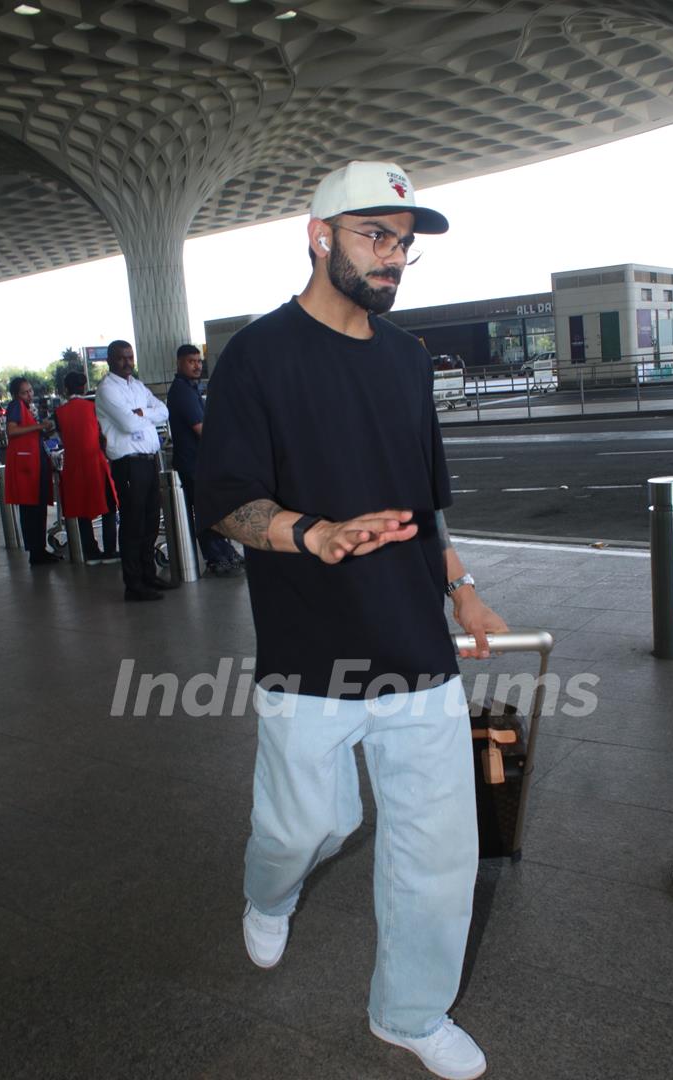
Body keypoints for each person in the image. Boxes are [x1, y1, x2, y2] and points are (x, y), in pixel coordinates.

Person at [195, 160, 508, 1080]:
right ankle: (268, 894)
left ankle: (409, 1013)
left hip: (417, 645)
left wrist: (462, 585)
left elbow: (426, 502)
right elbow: (225, 499)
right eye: (377, 234)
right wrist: (314, 533)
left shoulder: (408, 361)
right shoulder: (255, 357)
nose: (395, 257)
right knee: (305, 828)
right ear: (318, 233)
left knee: (439, 850)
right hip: (310, 653)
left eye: (404, 243)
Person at [95, 340, 172, 601]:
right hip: (129, 465)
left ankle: (149, 575)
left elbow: (164, 411)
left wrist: (142, 412)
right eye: (121, 358)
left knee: (151, 520)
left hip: (149, 460)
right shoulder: (107, 390)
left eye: (130, 357)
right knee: (133, 523)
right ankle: (134, 584)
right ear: (109, 360)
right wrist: (142, 414)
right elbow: (128, 424)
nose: (128, 362)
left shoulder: (137, 386)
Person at [166, 344, 245, 576]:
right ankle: (216, 557)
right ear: (179, 363)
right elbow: (201, 429)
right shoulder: (181, 391)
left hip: (202, 462)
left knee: (212, 509)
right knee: (205, 512)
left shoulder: (192, 388)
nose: (197, 365)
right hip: (192, 464)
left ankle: (225, 552)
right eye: (191, 361)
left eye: (199, 361)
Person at [55, 370, 119, 565]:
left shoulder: (59, 413)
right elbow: (103, 435)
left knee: (81, 510)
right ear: (83, 387)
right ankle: (109, 551)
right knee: (108, 508)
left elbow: (61, 437)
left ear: (65, 389)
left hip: (73, 466)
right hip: (95, 463)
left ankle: (90, 551)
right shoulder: (93, 407)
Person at [4, 376, 60, 566]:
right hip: (26, 465)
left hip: (35, 462)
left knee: (38, 507)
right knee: (32, 509)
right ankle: (36, 551)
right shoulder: (15, 406)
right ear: (16, 394)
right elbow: (11, 430)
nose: (29, 395)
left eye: (30, 391)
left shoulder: (26, 409)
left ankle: (39, 549)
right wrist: (40, 426)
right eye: (24, 392)